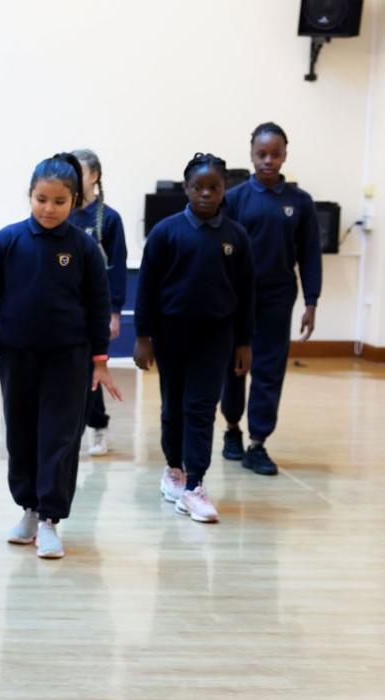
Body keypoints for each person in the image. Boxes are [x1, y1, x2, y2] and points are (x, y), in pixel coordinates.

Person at [0, 153, 119, 559]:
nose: (49, 208)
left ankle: (50, 519)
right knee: (22, 433)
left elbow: (99, 305)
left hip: (69, 358)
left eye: (59, 201)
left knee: (60, 437)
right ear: (29, 195)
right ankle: (28, 509)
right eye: (42, 199)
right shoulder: (7, 242)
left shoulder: (82, 248)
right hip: (17, 355)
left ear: (76, 201)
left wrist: (100, 361)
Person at [134, 153, 255, 523]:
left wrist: (244, 342)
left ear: (224, 190)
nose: (205, 194)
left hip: (216, 336)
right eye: (198, 187)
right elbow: (148, 288)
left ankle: (195, 485)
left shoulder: (236, 236)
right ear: (186, 189)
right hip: (172, 335)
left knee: (201, 409)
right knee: (173, 407)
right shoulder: (165, 232)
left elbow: (247, 293)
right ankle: (174, 470)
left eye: (213, 187)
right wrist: (143, 336)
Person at [220, 122, 322, 476]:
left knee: (269, 369)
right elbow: (220, 251)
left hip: (278, 296)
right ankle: (232, 429)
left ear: (284, 156)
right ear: (251, 154)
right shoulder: (233, 199)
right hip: (236, 298)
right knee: (234, 367)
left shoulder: (299, 202)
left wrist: (312, 301)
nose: (268, 160)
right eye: (261, 154)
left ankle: (257, 442)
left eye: (275, 154)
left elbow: (310, 255)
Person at [70, 149, 129, 457]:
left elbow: (117, 268)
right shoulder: (61, 212)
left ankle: (98, 426)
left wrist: (114, 312)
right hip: (66, 309)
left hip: (95, 310)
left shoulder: (110, 220)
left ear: (94, 176)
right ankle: (73, 428)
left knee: (93, 367)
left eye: (78, 172)